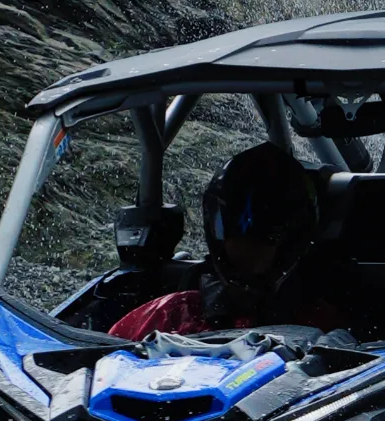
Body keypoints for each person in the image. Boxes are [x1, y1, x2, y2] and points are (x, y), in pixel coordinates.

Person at [108, 144, 332, 340]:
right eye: (235, 228)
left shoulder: (318, 329)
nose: (247, 243)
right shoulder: (173, 313)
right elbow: (107, 356)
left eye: (266, 232)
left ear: (292, 237)